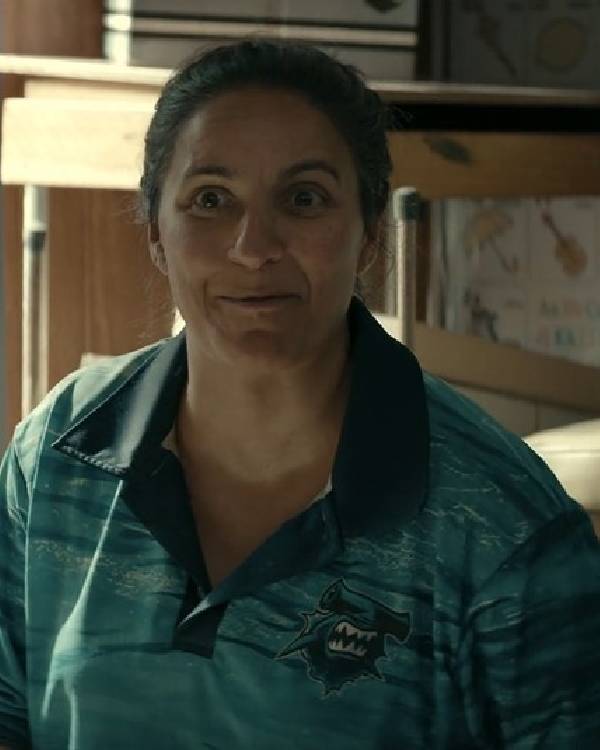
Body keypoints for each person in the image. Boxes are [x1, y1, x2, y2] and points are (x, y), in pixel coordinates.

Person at [0, 40, 599, 750]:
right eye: (211, 199)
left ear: (369, 231)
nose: (254, 246)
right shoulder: (58, 453)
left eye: (304, 198)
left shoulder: (505, 526)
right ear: (157, 231)